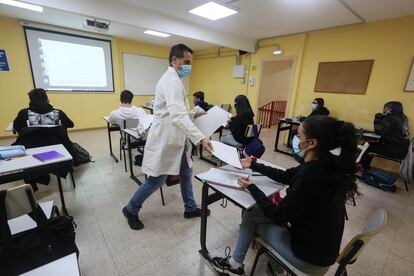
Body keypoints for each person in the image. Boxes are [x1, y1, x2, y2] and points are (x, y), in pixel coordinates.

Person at [212, 115, 358, 276]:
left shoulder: (310, 175)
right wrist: (253, 164)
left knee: (250, 215)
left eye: (299, 135)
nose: (296, 137)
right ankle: (276, 268)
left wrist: (252, 188)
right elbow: (286, 176)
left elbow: (278, 216)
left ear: (312, 143)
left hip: (308, 259)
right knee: (258, 213)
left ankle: (235, 265)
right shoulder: (327, 163)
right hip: (321, 250)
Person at [122, 44, 213, 230]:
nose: (189, 66)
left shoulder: (174, 79)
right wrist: (201, 138)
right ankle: (131, 208)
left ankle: (190, 208)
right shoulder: (171, 81)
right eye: (186, 62)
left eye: (190, 63)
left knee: (186, 172)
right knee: (157, 179)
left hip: (177, 139)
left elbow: (178, 112)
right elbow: (177, 115)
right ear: (174, 60)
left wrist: (193, 114)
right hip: (167, 139)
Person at [12, 88, 75, 191]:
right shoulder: (58, 113)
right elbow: (71, 124)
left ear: (30, 100)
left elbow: (16, 126)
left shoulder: (24, 113)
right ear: (47, 99)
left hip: (32, 153)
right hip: (57, 151)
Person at [359, 101, 410, 171]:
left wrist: (378, 118)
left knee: (367, 146)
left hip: (394, 150)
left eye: (385, 108)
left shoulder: (392, 119)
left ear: (390, 109)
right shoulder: (403, 118)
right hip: (401, 149)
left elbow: (379, 132)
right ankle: (365, 168)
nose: (383, 109)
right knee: (368, 145)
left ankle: (365, 169)